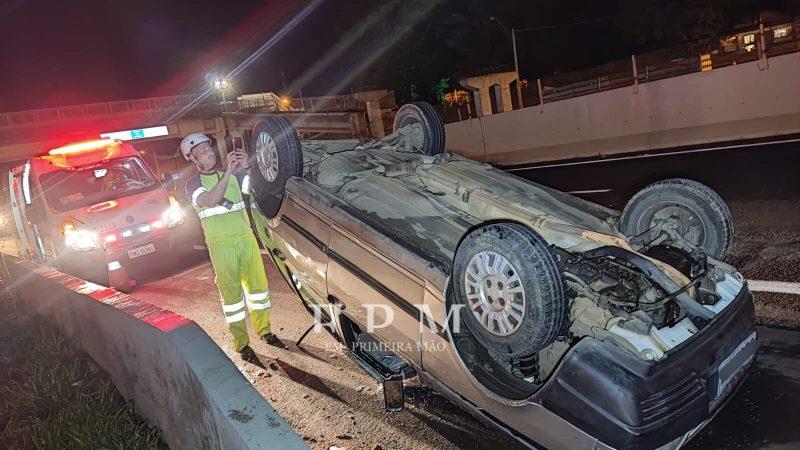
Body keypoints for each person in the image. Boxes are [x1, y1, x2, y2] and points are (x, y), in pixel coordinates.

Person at [180, 132, 278, 362]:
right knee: (232, 296)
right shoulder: (193, 183)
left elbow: (253, 189)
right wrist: (228, 173)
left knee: (258, 289)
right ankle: (242, 343)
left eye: (209, 148)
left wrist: (248, 168)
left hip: (245, 237)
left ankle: (264, 331)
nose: (209, 153)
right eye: (202, 151)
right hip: (221, 245)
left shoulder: (233, 175)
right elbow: (210, 200)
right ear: (193, 159)